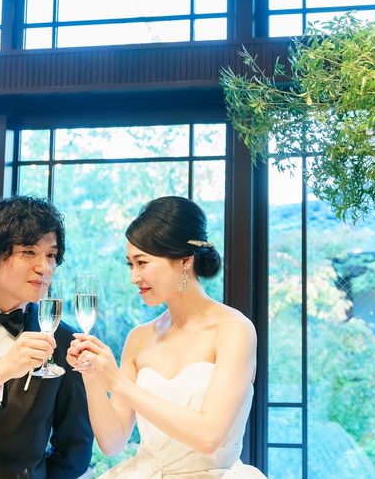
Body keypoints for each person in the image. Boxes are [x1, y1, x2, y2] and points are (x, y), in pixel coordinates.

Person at [68, 196, 266, 478]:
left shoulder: (234, 330)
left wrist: (118, 384)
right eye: (130, 265)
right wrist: (91, 375)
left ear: (185, 260)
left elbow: (209, 436)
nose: (134, 277)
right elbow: (112, 443)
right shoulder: (139, 338)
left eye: (142, 263)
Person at [0, 195, 93, 479]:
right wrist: (1, 370)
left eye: (51, 255)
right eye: (29, 252)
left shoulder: (63, 340)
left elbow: (76, 447)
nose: (44, 268)